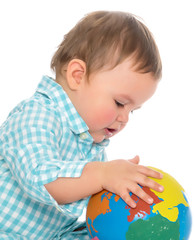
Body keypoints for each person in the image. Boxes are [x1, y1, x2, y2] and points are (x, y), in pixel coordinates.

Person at [0, 11, 164, 239]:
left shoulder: (91, 145)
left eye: (132, 110)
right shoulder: (36, 115)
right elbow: (41, 179)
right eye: (119, 103)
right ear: (77, 75)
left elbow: (70, 218)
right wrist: (103, 175)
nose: (125, 118)